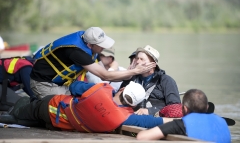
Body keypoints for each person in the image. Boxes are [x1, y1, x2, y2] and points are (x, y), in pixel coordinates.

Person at [30, 27, 156, 99]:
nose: (103, 48)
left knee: (88, 94)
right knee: (70, 104)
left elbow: (104, 77)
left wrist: (129, 74)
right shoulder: (77, 52)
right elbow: (105, 76)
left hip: (60, 83)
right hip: (43, 83)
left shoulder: (90, 45)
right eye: (101, 46)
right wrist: (134, 71)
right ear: (90, 44)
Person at [0, 81, 174, 133]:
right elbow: (150, 121)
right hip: (60, 125)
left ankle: (12, 114)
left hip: (50, 106)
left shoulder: (100, 89)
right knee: (30, 118)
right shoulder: (125, 117)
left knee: (22, 109)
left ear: (122, 89)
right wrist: (177, 120)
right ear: (134, 104)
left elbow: (75, 87)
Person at [136, 89, 231, 143]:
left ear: (184, 109)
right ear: (207, 107)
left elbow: (141, 137)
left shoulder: (182, 124)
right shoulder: (222, 122)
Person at [120, 45, 181, 116]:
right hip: (132, 117)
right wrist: (127, 77)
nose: (137, 61)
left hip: (156, 120)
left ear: (153, 64)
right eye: (137, 58)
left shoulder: (166, 80)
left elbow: (175, 107)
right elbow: (119, 100)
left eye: (142, 59)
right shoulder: (132, 78)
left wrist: (150, 111)